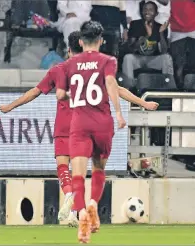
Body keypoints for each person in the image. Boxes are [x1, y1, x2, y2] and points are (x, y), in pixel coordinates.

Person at [0, 31, 159, 227]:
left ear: (68, 51)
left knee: (62, 167)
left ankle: (69, 197)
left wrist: (10, 106)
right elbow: (118, 89)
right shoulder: (97, 67)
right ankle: (81, 206)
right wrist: (142, 103)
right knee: (88, 171)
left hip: (64, 126)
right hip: (86, 123)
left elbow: (35, 92)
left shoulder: (58, 69)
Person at [55, 21, 125, 243]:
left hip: (80, 123)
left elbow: (59, 95)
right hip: (103, 122)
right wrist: (119, 113)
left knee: (77, 174)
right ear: (101, 40)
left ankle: (82, 213)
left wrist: (73, 95)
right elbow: (111, 84)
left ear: (80, 41)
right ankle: (94, 203)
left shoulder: (70, 63)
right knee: (98, 168)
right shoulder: (108, 60)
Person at [121, 1, 173, 89]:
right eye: (145, 9)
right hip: (138, 58)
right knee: (128, 58)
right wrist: (146, 36)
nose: (147, 12)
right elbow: (132, 49)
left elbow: (164, 51)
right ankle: (129, 89)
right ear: (142, 12)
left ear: (156, 13)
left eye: (150, 10)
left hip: (153, 59)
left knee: (167, 58)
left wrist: (160, 33)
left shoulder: (160, 27)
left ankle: (167, 88)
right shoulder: (135, 24)